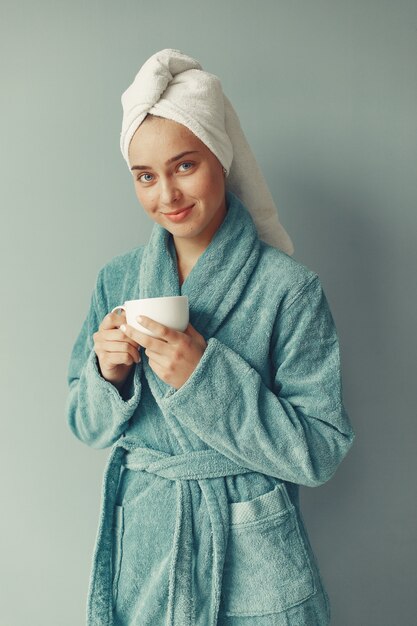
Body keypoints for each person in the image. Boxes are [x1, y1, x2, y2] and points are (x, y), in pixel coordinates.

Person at [66, 49, 355, 626]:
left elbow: (321, 450)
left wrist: (206, 378)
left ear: (221, 159)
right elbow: (85, 424)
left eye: (184, 166)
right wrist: (107, 377)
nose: (166, 195)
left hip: (251, 548)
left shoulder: (288, 289)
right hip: (144, 542)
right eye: (145, 176)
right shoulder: (118, 282)